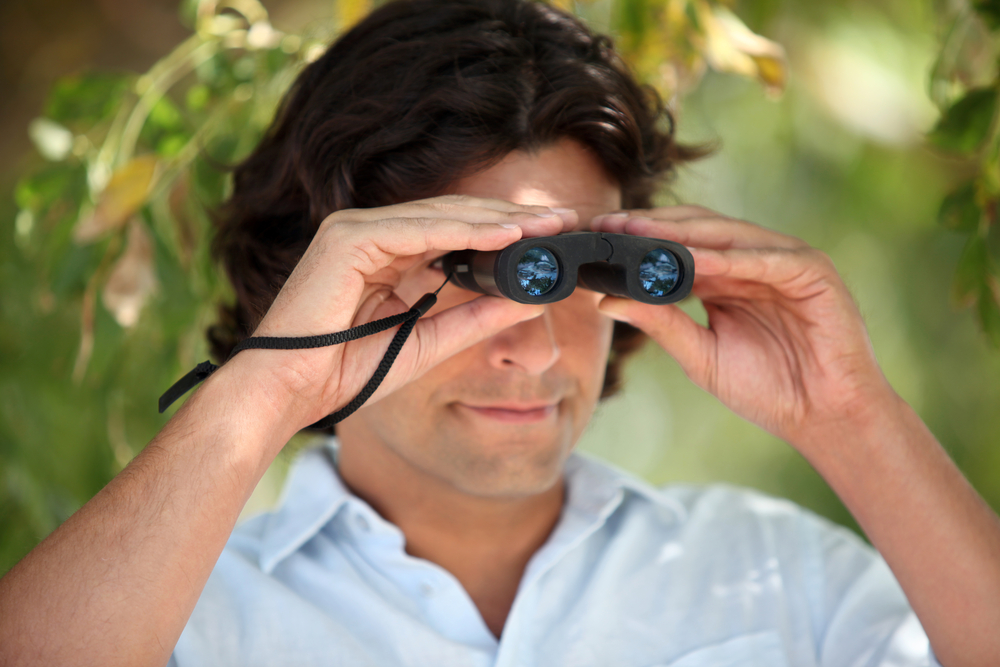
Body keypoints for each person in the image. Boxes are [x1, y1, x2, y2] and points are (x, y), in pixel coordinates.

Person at [1, 0, 999, 665]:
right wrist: (267, 384)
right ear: (318, 279)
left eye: (575, 271)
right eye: (466, 273)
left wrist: (853, 418)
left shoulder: (785, 574)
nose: (531, 346)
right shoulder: (177, 616)